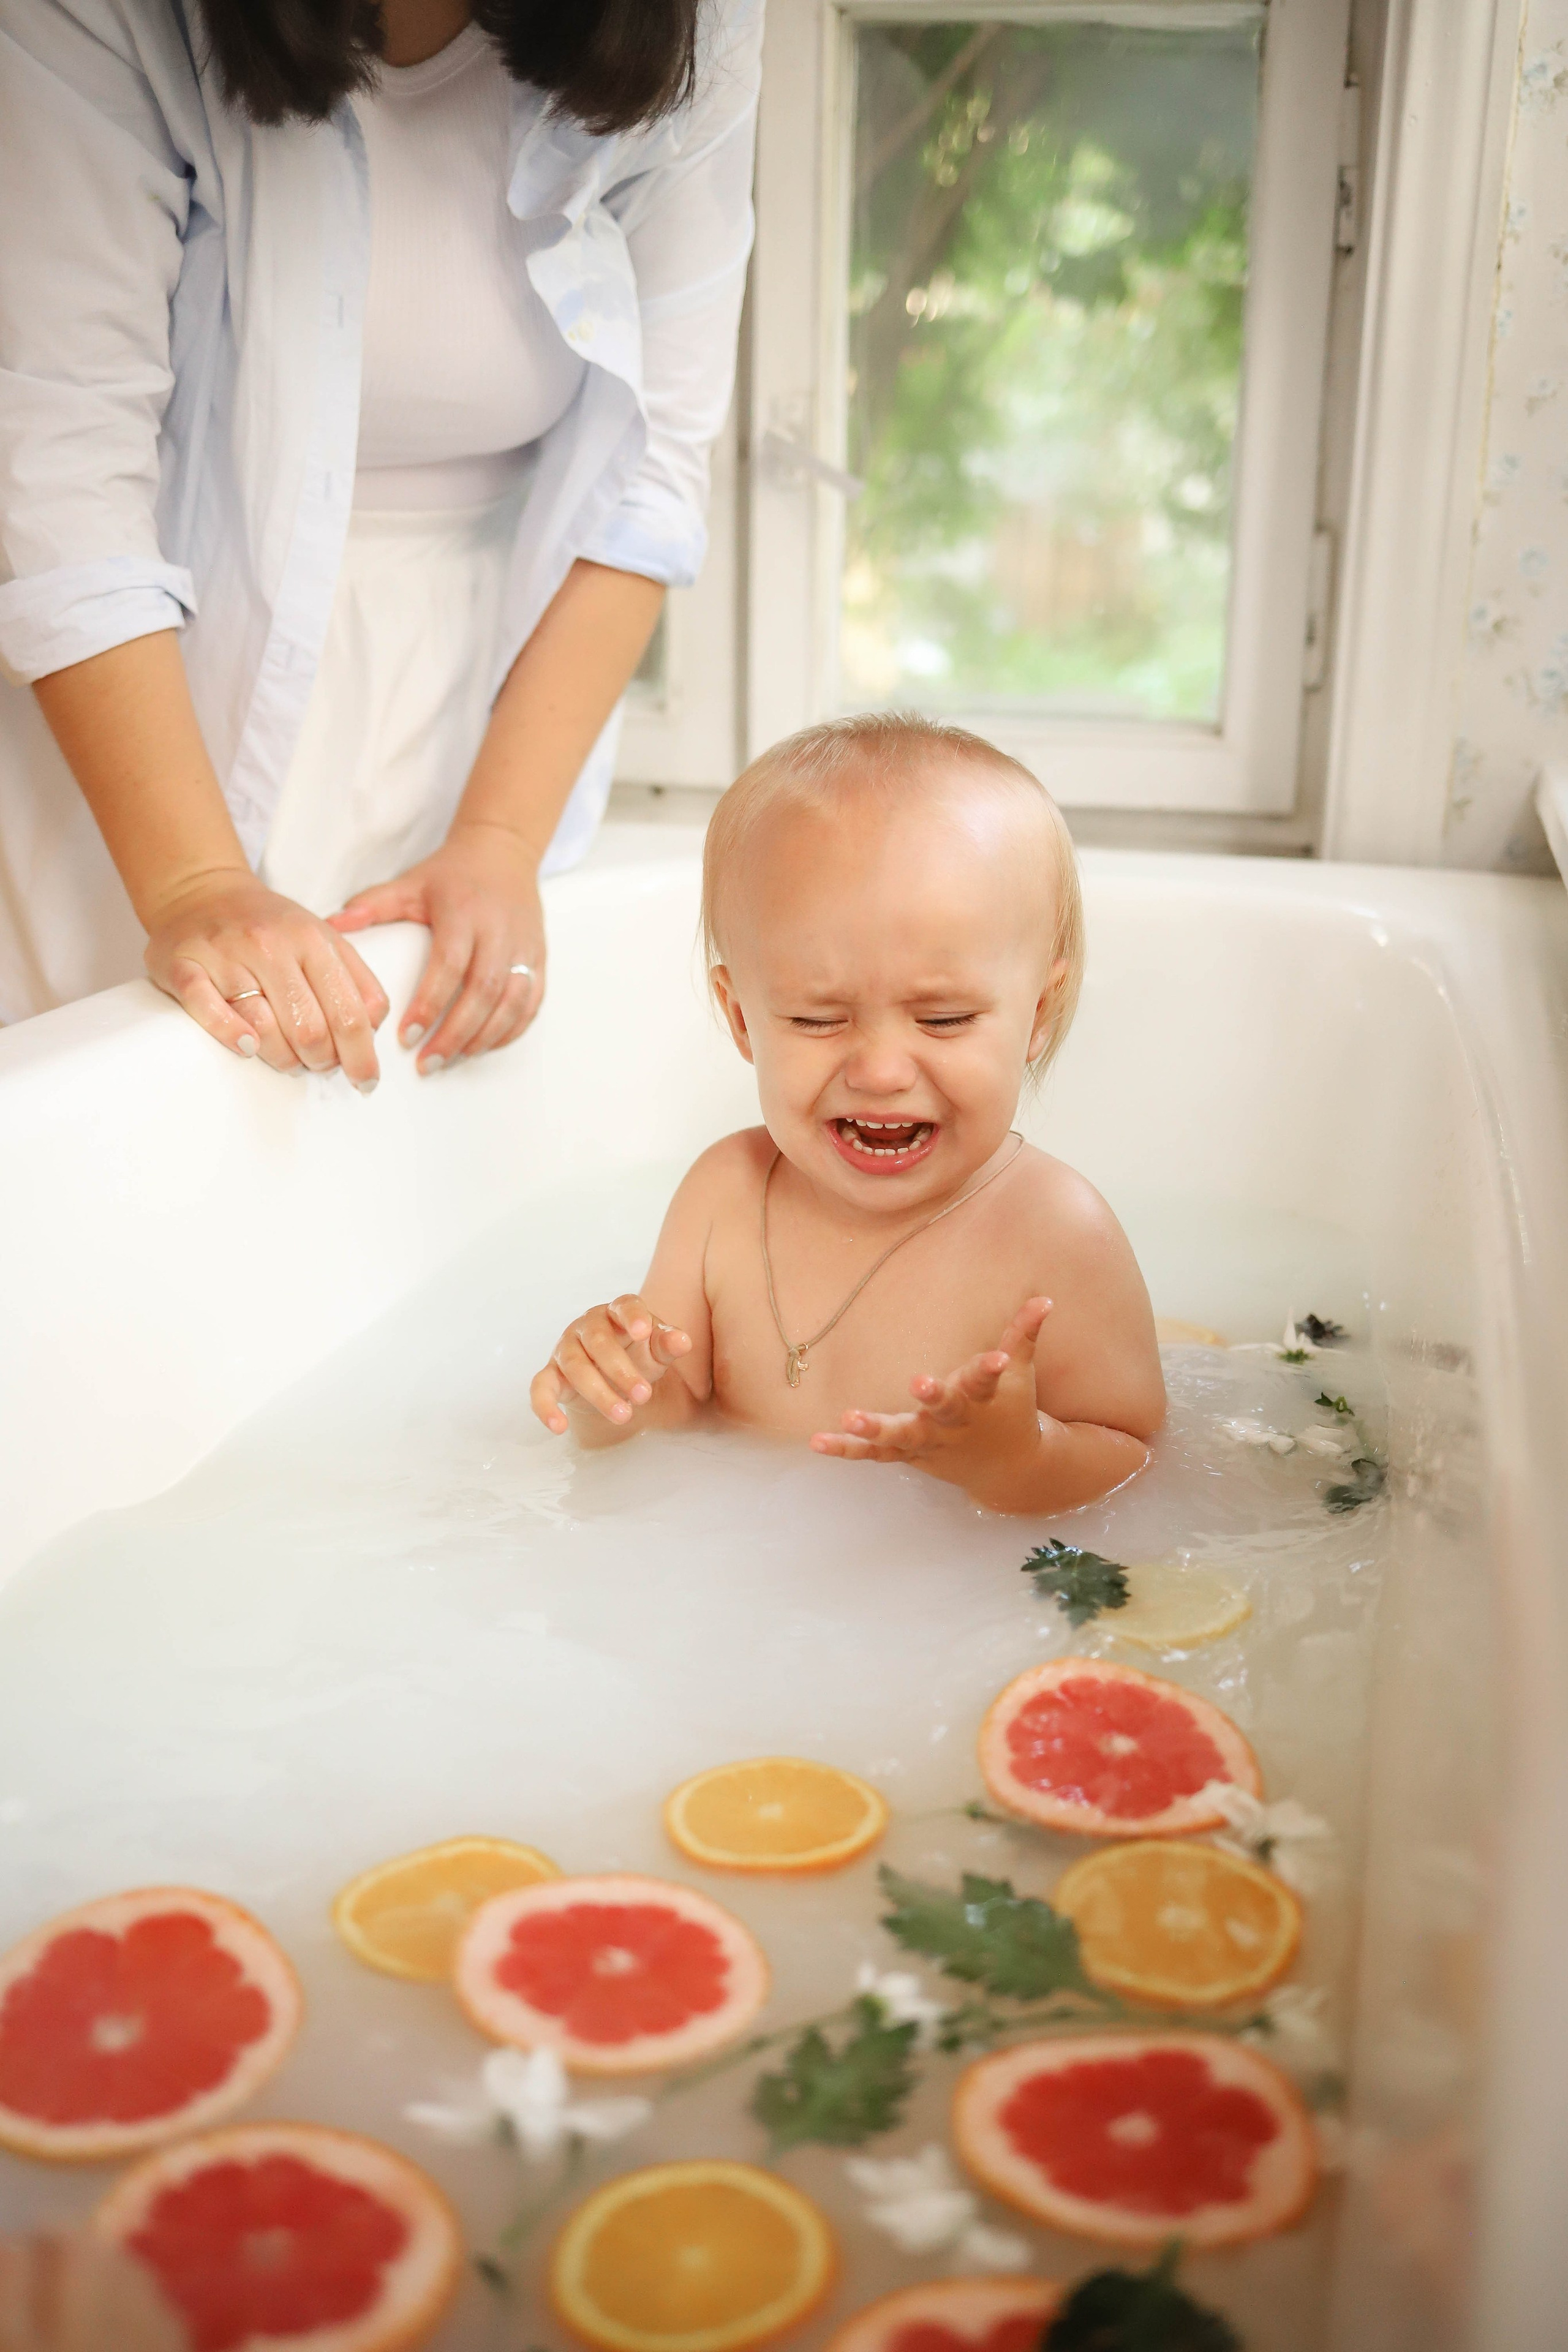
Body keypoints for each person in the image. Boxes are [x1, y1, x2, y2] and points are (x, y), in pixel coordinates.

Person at [0, 0, 761, 1087]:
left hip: (477, 726)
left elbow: (655, 470)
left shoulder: (711, 18)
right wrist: (192, 884)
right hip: (131, 733)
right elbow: (62, 462)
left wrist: (499, 838)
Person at [531, 712, 1166, 1515]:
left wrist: (1019, 1462)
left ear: (1039, 1013)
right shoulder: (723, 1197)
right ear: (740, 1019)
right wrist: (605, 1395)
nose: (879, 1071)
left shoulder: (1056, 1232)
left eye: (943, 1020)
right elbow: (669, 1418)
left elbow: (1140, 1458)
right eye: (816, 1019)